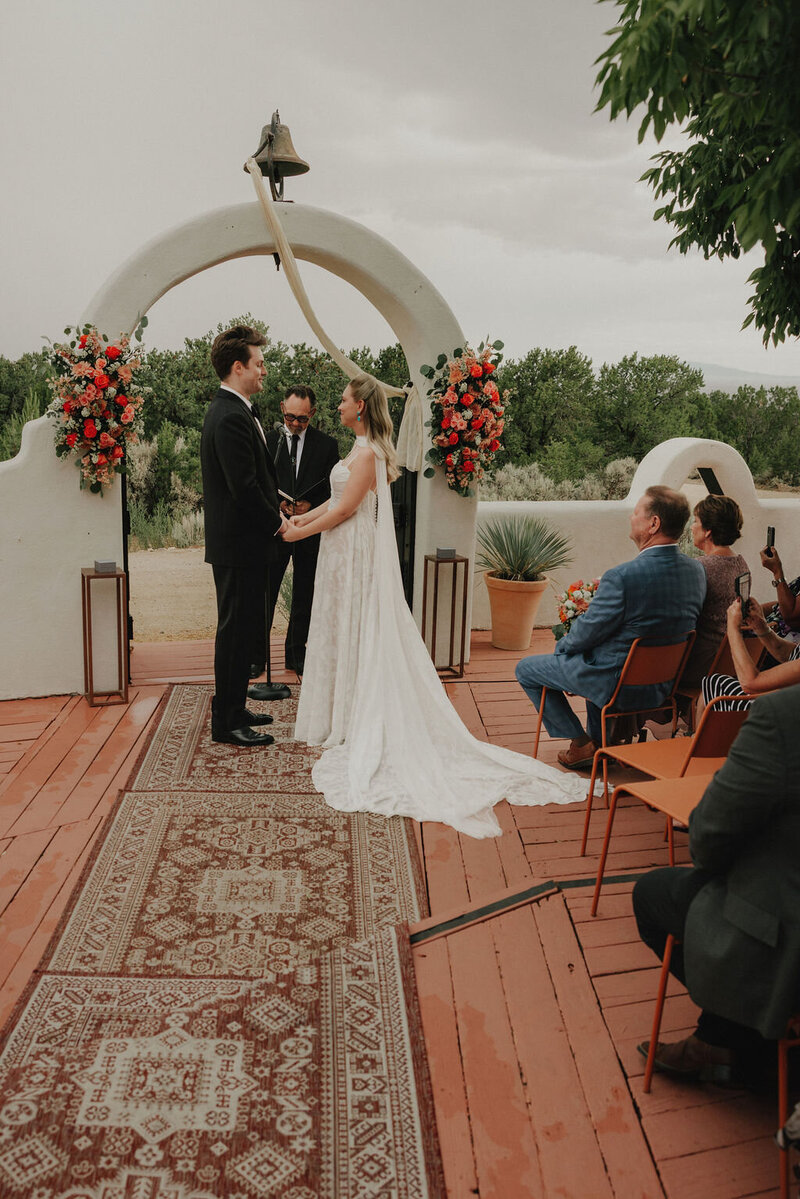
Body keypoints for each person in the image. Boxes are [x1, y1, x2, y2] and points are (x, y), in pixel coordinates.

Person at [283, 373, 591, 838]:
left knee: (354, 626)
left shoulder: (368, 453)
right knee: (340, 625)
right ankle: (339, 709)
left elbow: (346, 511)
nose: (339, 405)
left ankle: (354, 713)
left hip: (352, 548)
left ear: (362, 406)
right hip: (339, 551)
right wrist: (304, 515)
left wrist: (298, 532)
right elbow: (335, 498)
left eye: (344, 400)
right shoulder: (358, 449)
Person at [634, 685, 800, 1085]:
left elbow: (709, 837)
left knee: (653, 894)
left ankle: (735, 1037)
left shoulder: (784, 715)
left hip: (789, 931)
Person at [515, 486, 707, 770]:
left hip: (613, 682)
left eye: (636, 512)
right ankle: (601, 743)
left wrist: (562, 650)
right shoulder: (696, 572)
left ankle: (581, 744)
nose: (631, 517)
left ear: (653, 523)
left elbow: (587, 632)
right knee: (600, 651)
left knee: (527, 670)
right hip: (662, 686)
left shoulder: (623, 576)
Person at [200, 325, 285, 746]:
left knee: (243, 630)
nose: (264, 370)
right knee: (234, 634)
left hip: (243, 545)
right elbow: (244, 488)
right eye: (260, 363)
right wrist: (278, 523)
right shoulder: (230, 415)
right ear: (239, 367)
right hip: (240, 545)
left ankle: (235, 705)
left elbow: (256, 480)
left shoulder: (235, 409)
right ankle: (227, 721)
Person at [249, 385, 340, 678]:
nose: (296, 424)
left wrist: (309, 505)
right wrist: (278, 505)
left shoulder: (327, 445)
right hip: (276, 528)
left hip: (310, 527)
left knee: (305, 590)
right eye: (290, 417)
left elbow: (332, 488)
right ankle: (257, 656)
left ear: (312, 413)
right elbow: (258, 480)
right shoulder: (270, 440)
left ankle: (295, 653)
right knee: (265, 591)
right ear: (281, 410)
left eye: (302, 419)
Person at [678, 495, 748, 691]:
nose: (692, 527)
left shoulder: (699, 567)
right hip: (730, 661)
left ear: (708, 531)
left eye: (696, 521)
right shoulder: (741, 563)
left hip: (702, 665)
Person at [701, 595, 800, 710]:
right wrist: (761, 627)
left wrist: (733, 629)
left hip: (782, 715)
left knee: (713, 686)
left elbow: (750, 683)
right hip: (786, 701)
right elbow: (786, 652)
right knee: (709, 690)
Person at [760, 538, 800, 643]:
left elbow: (791, 616)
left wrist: (777, 571)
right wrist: (756, 610)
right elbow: (786, 604)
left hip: (779, 646)